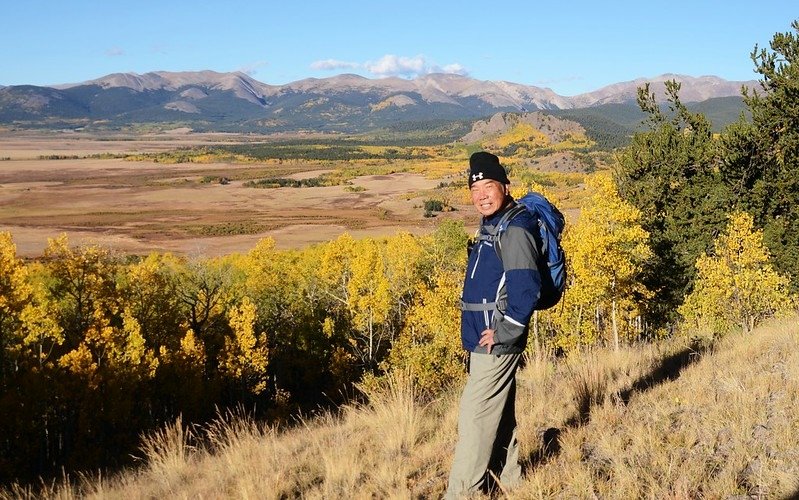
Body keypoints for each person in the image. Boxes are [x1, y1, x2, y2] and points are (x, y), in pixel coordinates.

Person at [445, 151, 541, 498]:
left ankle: (462, 494)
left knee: (474, 418)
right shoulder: (492, 225)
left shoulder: (514, 229)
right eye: (475, 189)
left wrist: (504, 331)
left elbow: (526, 290)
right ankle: (510, 481)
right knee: (498, 417)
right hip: (483, 339)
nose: (481, 194)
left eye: (489, 186)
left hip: (495, 342)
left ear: (504, 185)